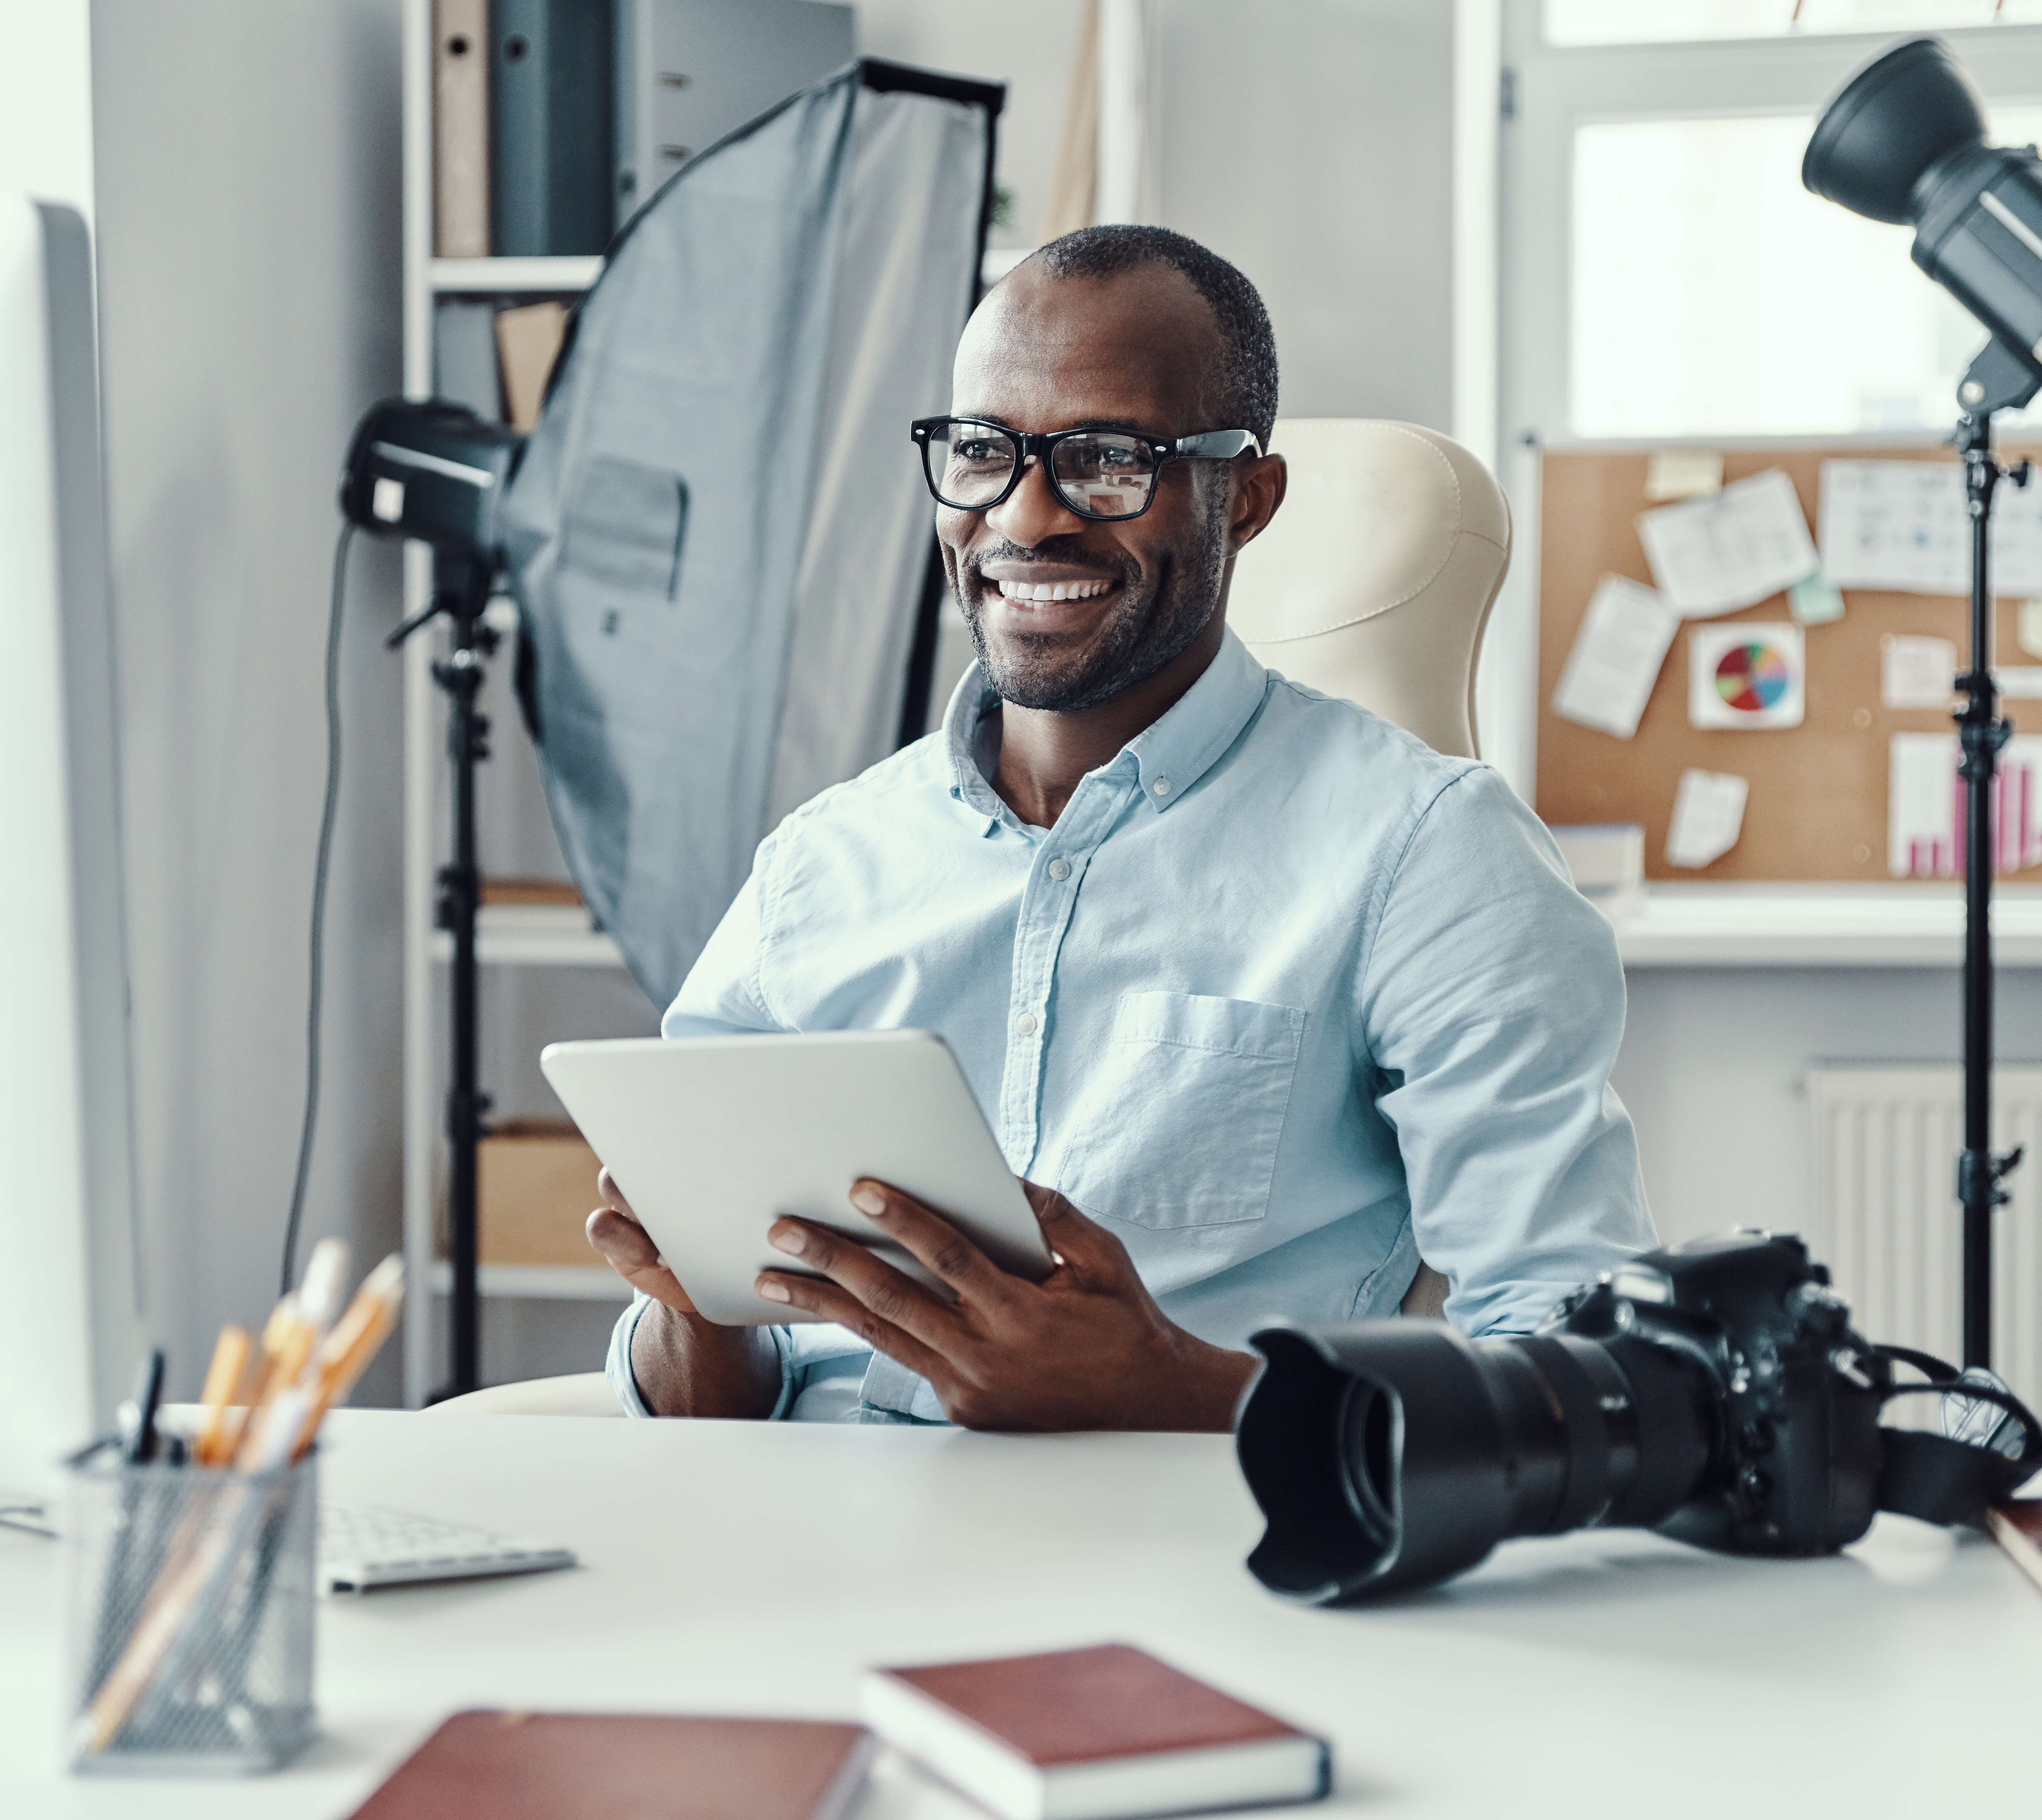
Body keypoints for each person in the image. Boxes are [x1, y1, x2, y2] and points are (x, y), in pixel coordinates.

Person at [587, 224, 1655, 1430]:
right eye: (984, 452)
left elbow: (1593, 1380)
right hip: (804, 1568)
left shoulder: (1427, 853)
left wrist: (1170, 1390)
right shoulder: (820, 868)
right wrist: (695, 1312)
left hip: (1190, 1567)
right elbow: (708, 1407)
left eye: (1106, 458)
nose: (1026, 518)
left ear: (1246, 500)